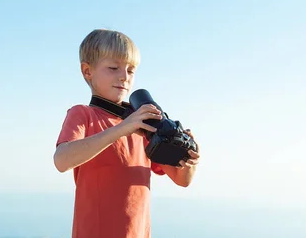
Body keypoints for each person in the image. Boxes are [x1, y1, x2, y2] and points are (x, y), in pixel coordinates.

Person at [53, 29, 200, 238]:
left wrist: (189, 158)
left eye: (131, 71)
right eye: (113, 68)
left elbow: (182, 180)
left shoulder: (144, 126)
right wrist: (123, 128)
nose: (124, 77)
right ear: (87, 71)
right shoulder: (83, 114)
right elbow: (61, 160)